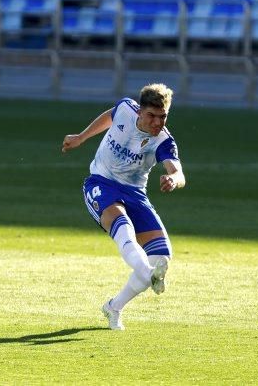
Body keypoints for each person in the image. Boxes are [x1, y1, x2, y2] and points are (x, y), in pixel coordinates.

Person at [61, 83, 185, 330]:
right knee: (123, 226)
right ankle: (150, 273)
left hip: (135, 193)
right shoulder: (126, 108)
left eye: (163, 117)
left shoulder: (163, 141)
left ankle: (113, 307)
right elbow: (110, 115)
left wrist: (173, 179)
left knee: (162, 255)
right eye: (152, 116)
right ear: (140, 111)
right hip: (101, 183)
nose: (157, 123)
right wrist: (81, 137)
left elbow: (178, 171)